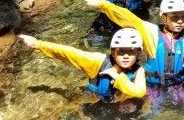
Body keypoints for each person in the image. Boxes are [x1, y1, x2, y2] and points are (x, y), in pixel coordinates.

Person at [78, 0, 184, 110]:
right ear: (164, 17)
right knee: (149, 111)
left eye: (183, 16)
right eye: (174, 17)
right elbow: (130, 18)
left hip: (177, 85)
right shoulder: (152, 32)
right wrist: (104, 6)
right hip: (153, 85)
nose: (179, 21)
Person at [18, 28, 146, 103]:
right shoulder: (98, 61)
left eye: (131, 51)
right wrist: (38, 44)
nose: (125, 56)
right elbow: (70, 53)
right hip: (95, 101)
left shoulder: (139, 71)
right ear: (113, 51)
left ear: (138, 52)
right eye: (121, 51)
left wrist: (117, 77)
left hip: (119, 105)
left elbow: (139, 92)